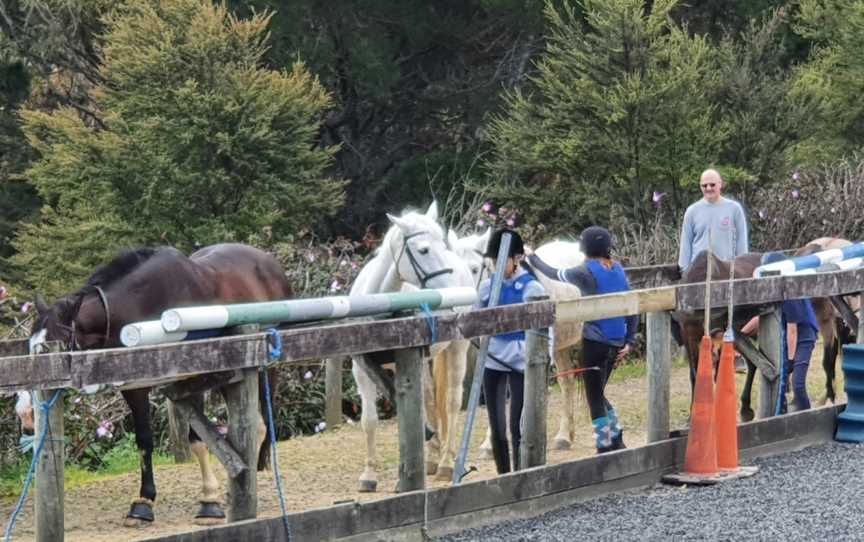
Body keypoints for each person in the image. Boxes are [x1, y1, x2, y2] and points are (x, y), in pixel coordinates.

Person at [526, 226, 637, 454]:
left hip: (595, 341)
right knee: (598, 391)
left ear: (585, 249)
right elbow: (632, 305)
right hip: (617, 341)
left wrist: (531, 257)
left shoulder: (584, 272)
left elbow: (553, 273)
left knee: (594, 397)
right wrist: (631, 340)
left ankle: (604, 444)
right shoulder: (618, 270)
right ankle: (616, 435)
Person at [477, 228, 545, 474]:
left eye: (500, 261)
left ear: (516, 259)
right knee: (496, 425)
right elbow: (475, 317)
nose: (495, 266)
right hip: (493, 358)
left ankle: (520, 473)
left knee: (517, 424)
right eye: (493, 261)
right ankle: (503, 475)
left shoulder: (532, 288)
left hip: (520, 359)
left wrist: (541, 357)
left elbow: (544, 329)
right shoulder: (486, 287)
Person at [742, 252, 819, 412]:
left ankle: (806, 417)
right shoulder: (772, 290)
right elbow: (763, 316)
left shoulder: (790, 291)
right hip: (787, 333)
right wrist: (741, 334)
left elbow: (793, 330)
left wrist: (790, 361)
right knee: (779, 384)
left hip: (804, 334)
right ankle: (781, 414)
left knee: (797, 382)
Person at [678, 169, 749, 273]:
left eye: (712, 184)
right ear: (700, 186)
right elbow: (685, 245)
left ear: (720, 184)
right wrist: (684, 272)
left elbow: (741, 243)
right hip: (698, 273)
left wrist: (742, 269)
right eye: (704, 185)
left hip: (727, 272)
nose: (708, 188)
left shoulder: (734, 209)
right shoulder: (691, 211)